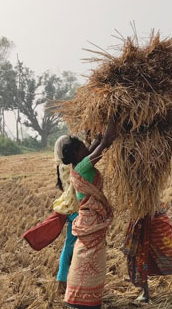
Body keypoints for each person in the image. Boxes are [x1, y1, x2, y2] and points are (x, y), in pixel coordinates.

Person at [56, 122, 116, 308]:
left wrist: (95, 131)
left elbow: (98, 142)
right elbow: (104, 142)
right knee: (89, 260)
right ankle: (81, 299)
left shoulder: (80, 164)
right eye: (83, 147)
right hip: (91, 219)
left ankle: (81, 297)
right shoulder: (83, 167)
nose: (87, 148)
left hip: (89, 218)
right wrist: (114, 115)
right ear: (76, 153)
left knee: (89, 259)